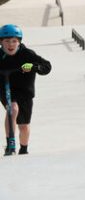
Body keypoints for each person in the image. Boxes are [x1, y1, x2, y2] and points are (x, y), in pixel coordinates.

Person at [0, 25, 52, 156]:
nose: (10, 45)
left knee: (23, 125)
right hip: (6, 89)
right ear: (1, 42)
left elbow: (47, 66)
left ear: (19, 42)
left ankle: (23, 148)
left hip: (25, 92)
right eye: (6, 41)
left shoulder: (27, 54)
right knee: (13, 108)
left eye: (14, 41)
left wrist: (34, 67)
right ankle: (10, 145)